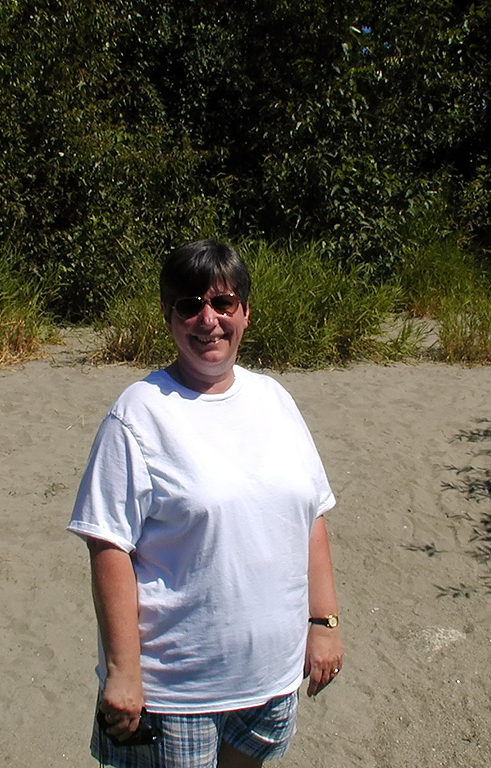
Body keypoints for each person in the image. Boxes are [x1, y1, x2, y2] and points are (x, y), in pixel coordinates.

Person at [68, 240, 344, 767]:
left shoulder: (275, 400)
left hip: (272, 678)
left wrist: (324, 623)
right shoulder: (139, 413)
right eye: (190, 305)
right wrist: (124, 671)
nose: (208, 320)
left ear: (245, 311)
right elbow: (107, 545)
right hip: (177, 692)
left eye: (223, 303)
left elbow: (312, 515)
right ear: (169, 318)